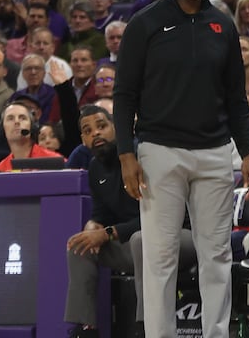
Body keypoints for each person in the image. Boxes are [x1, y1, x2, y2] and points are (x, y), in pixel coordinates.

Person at [113, 0, 249, 338]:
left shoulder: (223, 26)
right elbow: (124, 95)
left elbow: (235, 98)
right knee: (160, 257)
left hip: (214, 153)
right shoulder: (145, 23)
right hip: (159, 152)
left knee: (217, 255)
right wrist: (126, 153)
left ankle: (216, 334)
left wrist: (247, 150)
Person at [65, 105, 148, 338]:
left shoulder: (142, 156)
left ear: (116, 127)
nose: (96, 134)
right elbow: (102, 213)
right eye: (88, 131)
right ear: (83, 139)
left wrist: (108, 233)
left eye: (101, 126)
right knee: (78, 246)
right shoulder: (95, 168)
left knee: (142, 240)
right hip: (130, 246)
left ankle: (145, 326)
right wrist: (94, 225)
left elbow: (157, 218)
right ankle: (85, 329)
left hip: (171, 240)